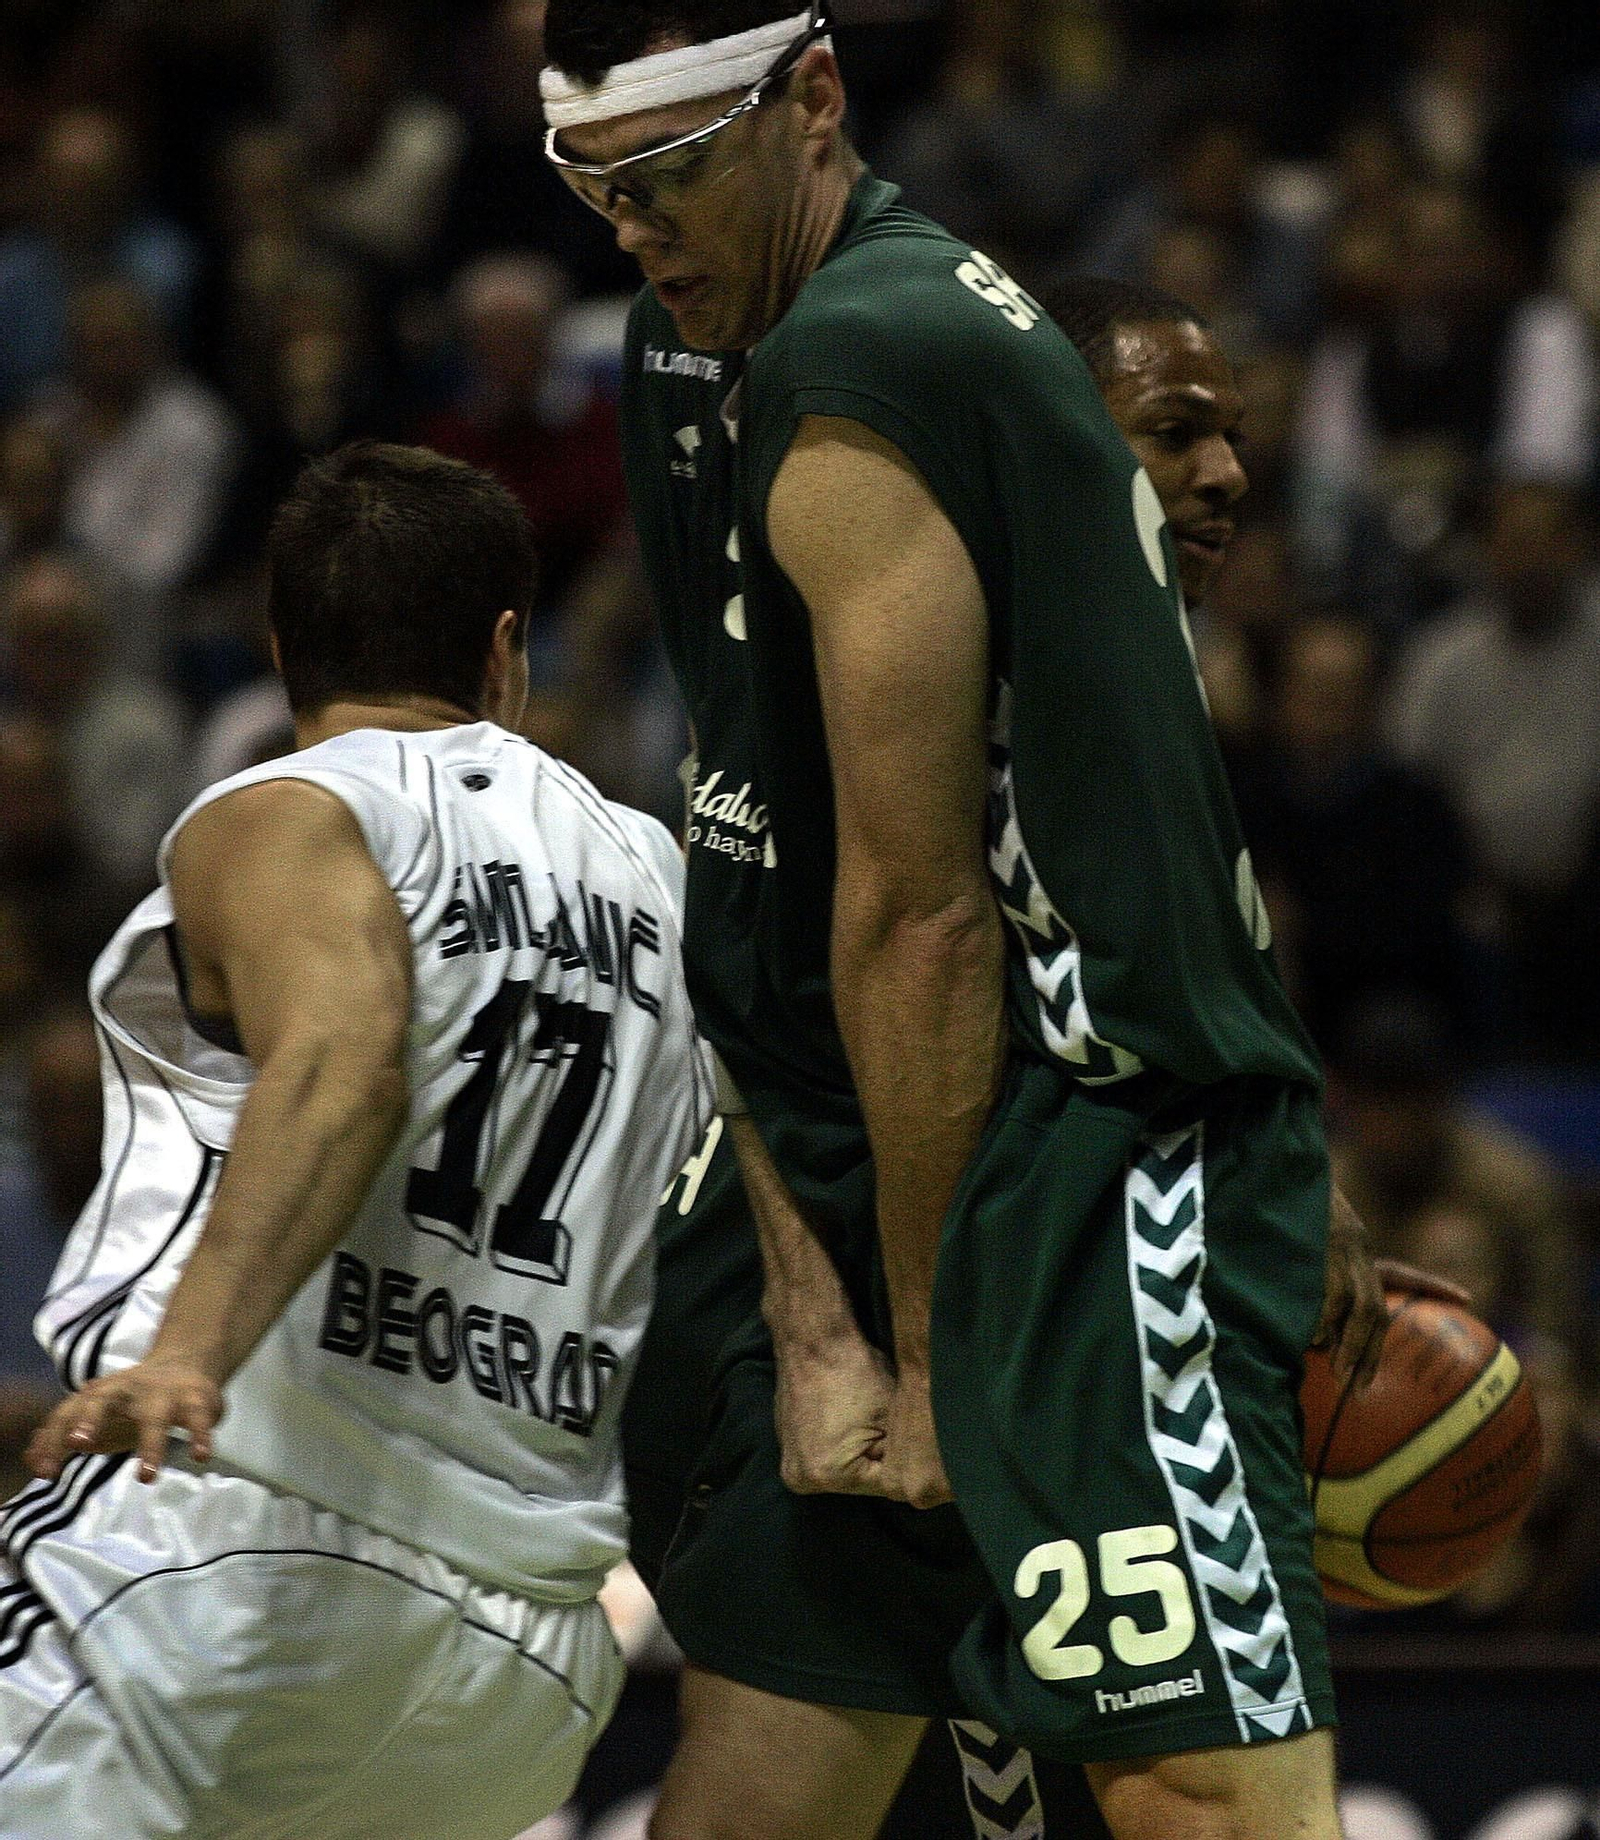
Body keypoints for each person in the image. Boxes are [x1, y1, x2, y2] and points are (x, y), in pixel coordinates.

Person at [540, 9, 1381, 1839]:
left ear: (815, 101)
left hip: (1078, 1175)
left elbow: (926, 912)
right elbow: (743, 838)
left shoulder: (883, 347)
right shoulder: (691, 356)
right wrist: (806, 1276)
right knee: (770, 1796)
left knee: (1193, 1793)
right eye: (594, 189)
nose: (640, 229)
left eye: (672, 175)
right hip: (868, 1160)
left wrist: (929, 1357)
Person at [0, 441, 712, 1839]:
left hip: (226, 1562)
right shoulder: (660, 872)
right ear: (505, 651)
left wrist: (192, 1347)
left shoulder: (286, 813)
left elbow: (343, 1058)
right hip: (523, 1661)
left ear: (281, 649)